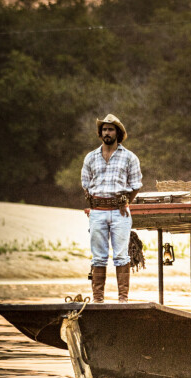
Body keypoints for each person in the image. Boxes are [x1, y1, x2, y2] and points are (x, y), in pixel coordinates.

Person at [81, 114, 142, 303]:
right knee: (98, 256)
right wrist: (94, 202)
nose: (107, 132)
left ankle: (122, 299)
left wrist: (125, 202)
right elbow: (85, 183)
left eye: (111, 129)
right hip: (98, 210)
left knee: (121, 255)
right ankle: (98, 299)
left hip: (119, 211)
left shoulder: (129, 157)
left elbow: (136, 184)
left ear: (118, 133)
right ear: (100, 133)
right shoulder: (91, 157)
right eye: (105, 129)